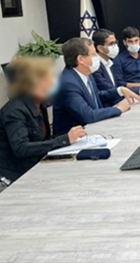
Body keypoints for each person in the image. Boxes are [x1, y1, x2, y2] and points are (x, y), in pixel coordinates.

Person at [0, 57, 86, 185]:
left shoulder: (40, 104)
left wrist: (71, 139)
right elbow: (21, 148)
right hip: (17, 177)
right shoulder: (15, 111)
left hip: (37, 167)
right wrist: (63, 139)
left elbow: (43, 140)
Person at [53, 38, 140, 135]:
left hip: (94, 130)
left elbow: (95, 97)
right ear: (81, 59)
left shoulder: (87, 73)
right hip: (73, 142)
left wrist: (120, 91)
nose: (97, 57)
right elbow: (88, 115)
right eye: (93, 54)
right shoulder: (68, 84)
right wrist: (118, 109)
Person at [92, 29, 140, 98]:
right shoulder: (96, 68)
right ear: (100, 48)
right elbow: (113, 90)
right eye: (111, 44)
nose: (115, 46)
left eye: (115, 43)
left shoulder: (109, 63)